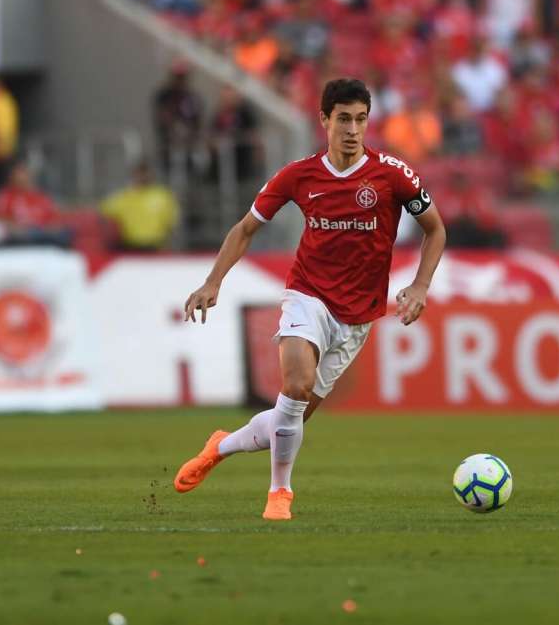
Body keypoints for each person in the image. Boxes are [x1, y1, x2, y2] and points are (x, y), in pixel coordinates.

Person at [174, 78, 446, 520]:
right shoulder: (299, 175)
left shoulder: (392, 175)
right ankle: (279, 493)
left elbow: (436, 229)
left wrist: (419, 286)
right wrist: (212, 282)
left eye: (360, 119)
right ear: (324, 120)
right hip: (309, 296)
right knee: (296, 386)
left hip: (358, 316)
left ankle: (219, 447)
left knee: (289, 418)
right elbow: (245, 229)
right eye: (343, 119)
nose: (353, 129)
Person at [100, 161, 179, 251]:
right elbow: (103, 213)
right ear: (133, 175)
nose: (142, 177)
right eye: (139, 174)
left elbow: (172, 221)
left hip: (156, 245)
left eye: (145, 173)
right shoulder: (123, 196)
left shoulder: (163, 195)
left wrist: (167, 241)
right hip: (129, 245)